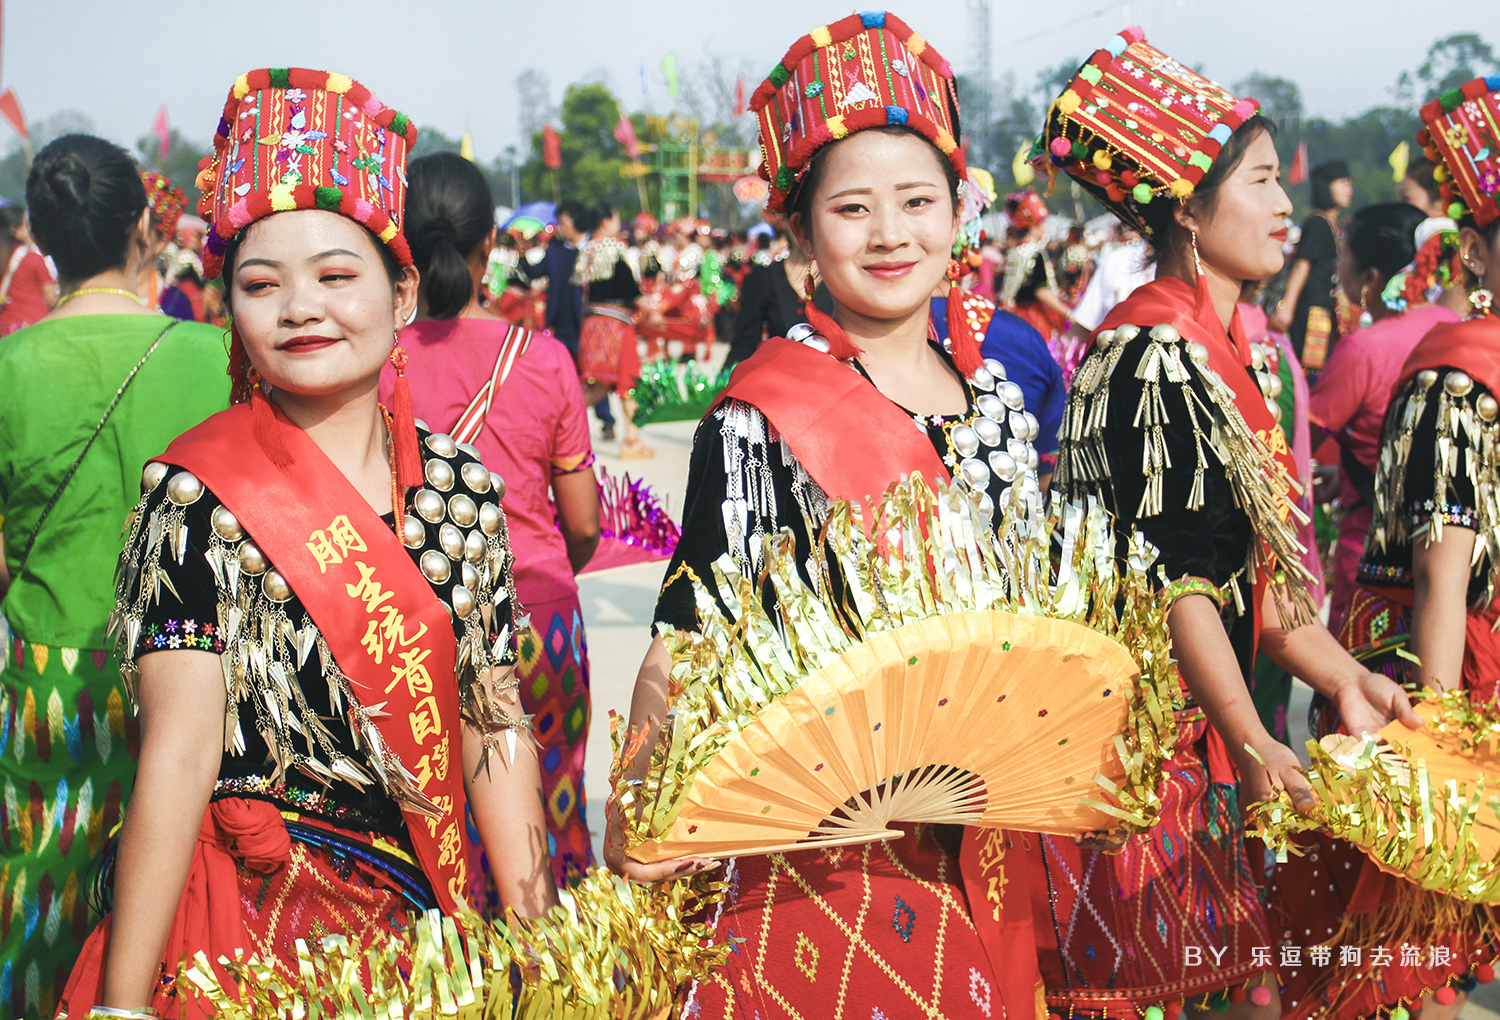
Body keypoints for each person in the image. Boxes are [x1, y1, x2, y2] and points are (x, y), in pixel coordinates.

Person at [57, 69, 555, 1019]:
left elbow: (492, 724)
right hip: (244, 944)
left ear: (402, 291)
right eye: (260, 283)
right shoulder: (195, 495)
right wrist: (122, 1005)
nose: (299, 308)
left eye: (336, 276)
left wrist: (538, 944)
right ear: (229, 305)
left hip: (417, 938)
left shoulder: (460, 493)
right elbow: (179, 754)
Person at [608, 12, 1044, 1017]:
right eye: (853, 209)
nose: (891, 234)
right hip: (820, 858)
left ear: (959, 214)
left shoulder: (996, 403)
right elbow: (690, 644)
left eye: (917, 202)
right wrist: (644, 821)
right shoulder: (763, 419)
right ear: (800, 233)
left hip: (983, 837)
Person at [1036, 28, 1418, 1019]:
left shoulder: (1229, 348)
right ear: (1189, 211)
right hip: (1144, 753)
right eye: (1257, 181)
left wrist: (1349, 679)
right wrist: (1255, 741)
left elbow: (1264, 586)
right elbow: (1179, 585)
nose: (1287, 204)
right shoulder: (1154, 354)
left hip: (1211, 735)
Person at [1268, 76, 1500, 1020]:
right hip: (1438, 680)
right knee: (1407, 961)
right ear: (1478, 250)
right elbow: (1445, 571)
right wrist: (1438, 753)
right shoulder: (1457, 374)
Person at [0, 134, 229, 1019]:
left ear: (44, 238)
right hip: (194, 679)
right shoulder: (214, 359)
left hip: (51, 680)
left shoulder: (12, 366)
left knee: (39, 900)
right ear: (145, 224)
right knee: (176, 901)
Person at [385, 151, 600, 891]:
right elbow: (583, 523)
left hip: (412, 625)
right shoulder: (542, 359)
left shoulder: (374, 365)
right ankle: (560, 977)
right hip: (538, 615)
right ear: (489, 249)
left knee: (430, 815)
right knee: (554, 804)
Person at [1308, 202, 1458, 632]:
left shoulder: (1364, 348)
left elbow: (1297, 448)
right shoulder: (1454, 326)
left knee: (1361, 681)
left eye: (1345, 266)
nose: (1340, 278)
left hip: (1376, 553)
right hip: (1455, 549)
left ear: (1372, 279)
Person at [575, 203, 652, 458]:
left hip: (593, 325)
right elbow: (628, 287)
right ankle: (631, 441)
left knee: (598, 385)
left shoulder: (586, 250)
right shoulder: (612, 248)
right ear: (607, 221)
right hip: (617, 325)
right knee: (628, 382)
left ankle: (564, 422)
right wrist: (650, 307)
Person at [1271, 159, 1352, 374]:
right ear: (1326, 186)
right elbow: (1302, 265)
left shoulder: (1332, 224)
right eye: (1342, 183)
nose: (1348, 189)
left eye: (1349, 183)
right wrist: (1287, 306)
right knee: (1308, 368)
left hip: (1326, 309)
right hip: (1312, 310)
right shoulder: (1317, 222)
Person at [727, 226, 805, 368]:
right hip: (781, 380)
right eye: (800, 220)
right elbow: (745, 342)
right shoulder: (765, 276)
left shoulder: (842, 278)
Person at [0, 211, 57, 335]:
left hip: (5, 326)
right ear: (14, 229)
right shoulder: (33, 259)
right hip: (33, 325)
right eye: (26, 224)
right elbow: (51, 299)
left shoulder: (5, 257)